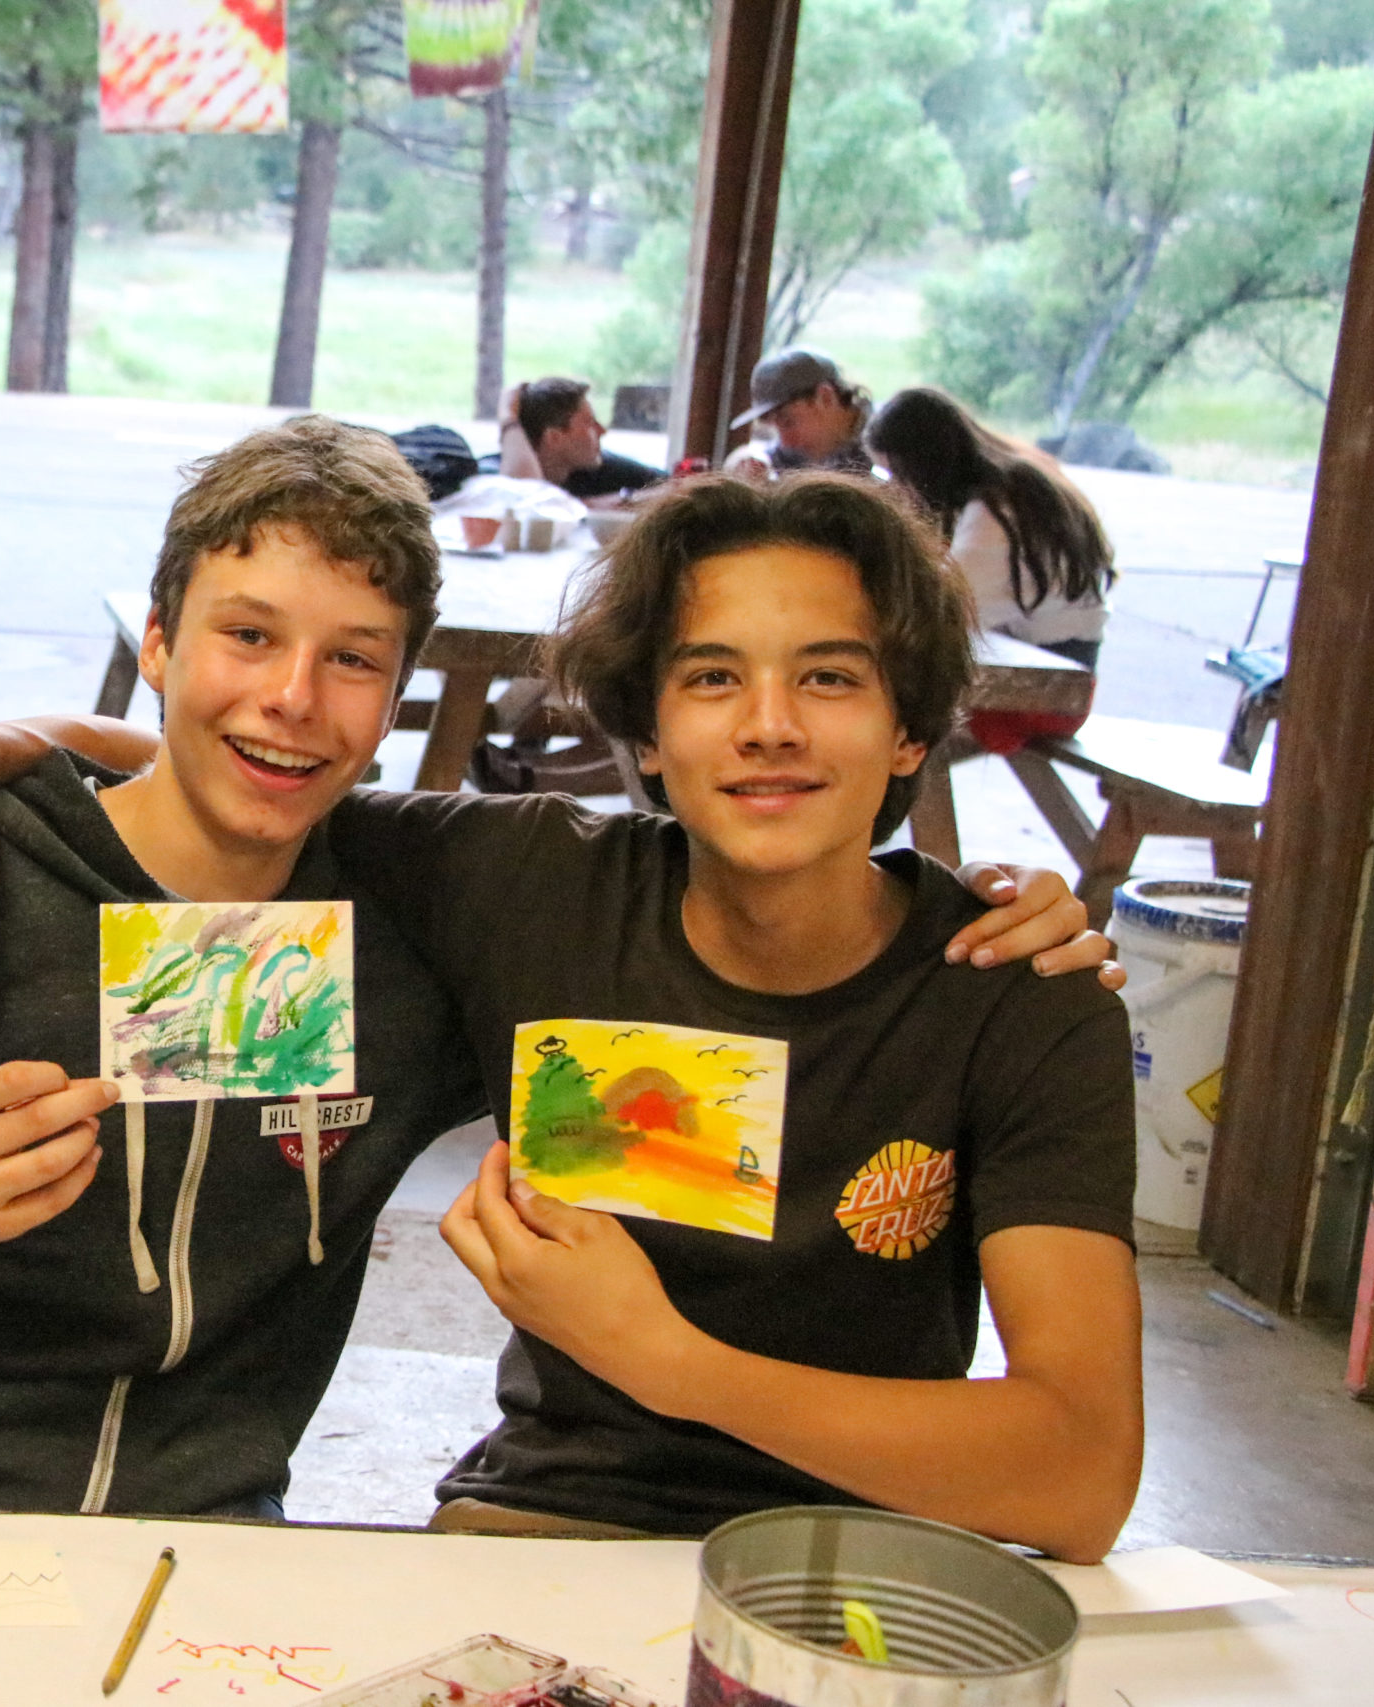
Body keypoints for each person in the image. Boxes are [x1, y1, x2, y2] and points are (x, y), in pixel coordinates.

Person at [0, 417, 490, 1518]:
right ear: (159, 645)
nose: (294, 697)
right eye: (249, 635)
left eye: (354, 658)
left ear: (399, 690)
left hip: (204, 1537)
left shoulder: (412, 935)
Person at [416, 477, 1140, 1562]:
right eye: (712, 677)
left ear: (909, 731)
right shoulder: (535, 886)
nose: (769, 727)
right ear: (645, 731)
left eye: (829, 677)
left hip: (863, 1546)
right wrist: (122, 743)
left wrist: (669, 1363)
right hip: (554, 1517)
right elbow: (252, 810)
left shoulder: (1016, 988)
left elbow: (1081, 1478)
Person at [868, 386, 1114, 753]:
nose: (895, 489)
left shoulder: (997, 515)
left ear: (922, 465)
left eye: (896, 474)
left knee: (888, 713)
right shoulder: (1013, 484)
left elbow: (945, 610)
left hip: (1044, 697)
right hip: (1058, 682)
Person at [497, 378, 665, 506]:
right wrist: (509, 420)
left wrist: (625, 499)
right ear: (554, 437)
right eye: (590, 423)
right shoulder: (493, 473)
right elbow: (525, 501)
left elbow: (675, 486)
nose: (602, 430)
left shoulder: (593, 468)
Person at [726, 346, 874, 480]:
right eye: (776, 428)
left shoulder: (881, 449)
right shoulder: (807, 447)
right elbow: (763, 455)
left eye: (788, 422)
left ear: (826, 398)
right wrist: (747, 461)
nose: (785, 441)